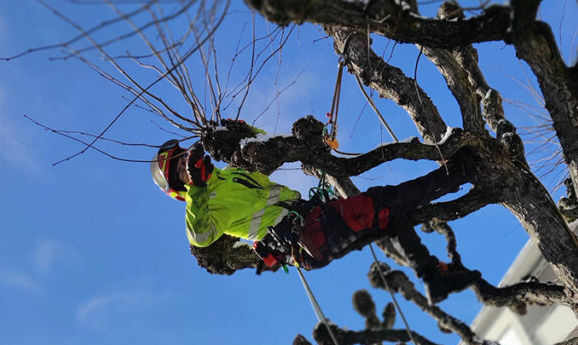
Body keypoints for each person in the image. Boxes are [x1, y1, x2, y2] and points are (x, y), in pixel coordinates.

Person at [150, 124, 479, 301]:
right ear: (180, 186)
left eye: (183, 160)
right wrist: (198, 190)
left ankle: (432, 275)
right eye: (180, 170)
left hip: (312, 217)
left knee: (389, 214)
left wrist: (247, 134)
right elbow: (201, 237)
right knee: (384, 201)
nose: (186, 166)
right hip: (305, 237)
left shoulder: (230, 175)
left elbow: (262, 159)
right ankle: (462, 171)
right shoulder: (204, 206)